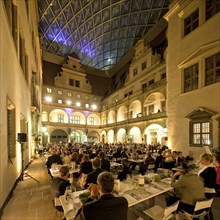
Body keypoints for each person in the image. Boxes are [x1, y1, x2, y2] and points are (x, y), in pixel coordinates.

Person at [198, 153, 217, 220]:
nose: (201, 161)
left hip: (208, 192)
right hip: (206, 191)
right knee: (206, 211)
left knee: (206, 211)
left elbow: (209, 183)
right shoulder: (207, 168)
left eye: (202, 160)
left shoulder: (210, 170)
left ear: (207, 161)